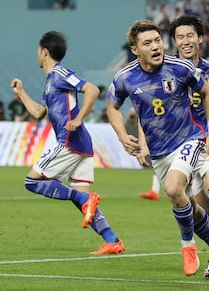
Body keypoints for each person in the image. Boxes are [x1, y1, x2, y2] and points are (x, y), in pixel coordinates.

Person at [105, 19, 209, 280]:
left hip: (190, 139)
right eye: (147, 43)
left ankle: (187, 246)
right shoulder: (125, 77)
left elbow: (207, 94)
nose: (155, 46)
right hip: (160, 153)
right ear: (135, 49)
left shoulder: (180, 67)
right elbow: (111, 108)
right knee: (187, 204)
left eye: (158, 40)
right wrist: (121, 135)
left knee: (174, 188)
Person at [137, 15, 209, 279]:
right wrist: (143, 143)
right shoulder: (164, 71)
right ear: (174, 42)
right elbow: (148, 114)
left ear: (200, 38)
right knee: (197, 210)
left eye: (190, 36)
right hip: (178, 149)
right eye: (180, 37)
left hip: (208, 140)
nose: (185, 41)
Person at [9, 30, 124, 255]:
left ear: (44, 52)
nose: (37, 55)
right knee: (80, 201)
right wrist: (21, 92)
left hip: (70, 141)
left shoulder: (61, 73)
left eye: (38, 51)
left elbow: (91, 89)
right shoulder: (50, 82)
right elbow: (39, 112)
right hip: (81, 144)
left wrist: (79, 118)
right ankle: (112, 239)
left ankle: (85, 198)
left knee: (31, 182)